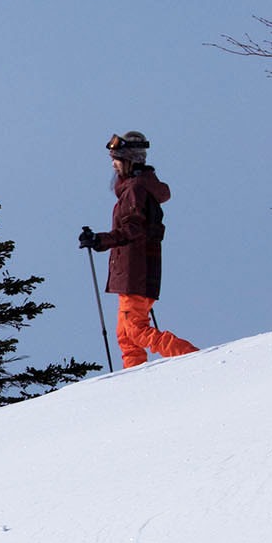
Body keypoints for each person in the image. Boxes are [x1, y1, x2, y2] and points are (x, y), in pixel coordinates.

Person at [80, 131, 197, 369]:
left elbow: (132, 230)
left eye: (117, 159)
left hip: (136, 272)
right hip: (134, 272)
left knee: (135, 330)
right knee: (126, 334)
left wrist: (99, 240)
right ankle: (134, 378)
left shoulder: (135, 189)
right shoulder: (137, 188)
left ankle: (191, 356)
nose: (113, 164)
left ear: (130, 161)